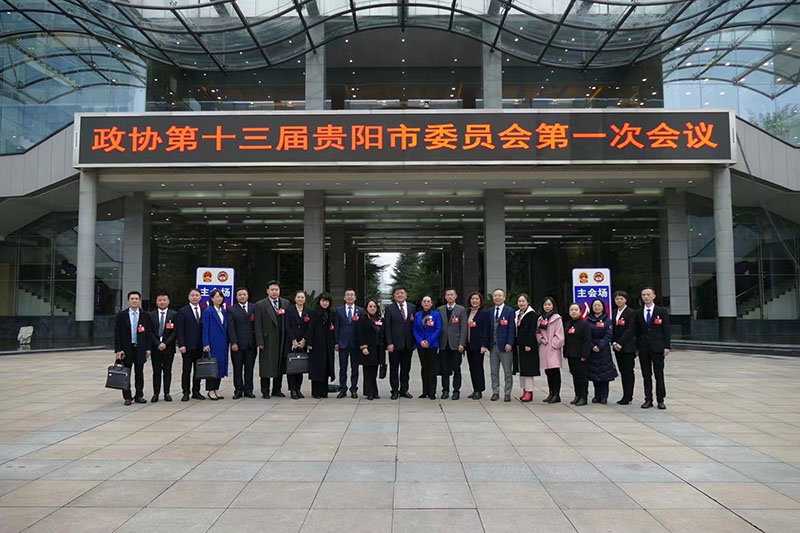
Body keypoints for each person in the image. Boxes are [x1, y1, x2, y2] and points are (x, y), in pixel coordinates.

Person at [634, 287, 671, 409]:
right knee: (646, 375)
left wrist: (667, 346)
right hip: (643, 348)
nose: (646, 297)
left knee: (658, 374)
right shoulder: (638, 312)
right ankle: (648, 399)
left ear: (654, 296)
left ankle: (660, 400)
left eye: (648, 294)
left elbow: (666, 330)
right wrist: (637, 347)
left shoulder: (661, 311)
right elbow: (637, 332)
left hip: (658, 347)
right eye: (643, 295)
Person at [114, 291, 152, 405]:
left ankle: (139, 395)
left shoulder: (145, 315)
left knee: (139, 373)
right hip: (126, 349)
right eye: (132, 299)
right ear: (128, 301)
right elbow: (117, 333)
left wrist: (148, 348)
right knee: (126, 372)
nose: (134, 301)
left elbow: (148, 334)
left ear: (139, 300)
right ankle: (127, 397)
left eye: (136, 299)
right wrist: (118, 350)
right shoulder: (122, 315)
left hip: (140, 348)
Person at [255, 280, 289, 398]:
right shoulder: (260, 304)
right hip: (267, 339)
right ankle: (265, 391)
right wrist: (259, 341)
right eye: (272, 290)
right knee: (266, 366)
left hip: (282, 339)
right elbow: (257, 324)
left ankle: (277, 389)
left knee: (279, 365)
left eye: (276, 290)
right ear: (267, 291)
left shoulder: (285, 303)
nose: (274, 292)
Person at [383, 287, 416, 400]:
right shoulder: (389, 308)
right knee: (394, 369)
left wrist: (414, 342)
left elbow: (415, 326)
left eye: (402, 293)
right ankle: (394, 390)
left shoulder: (412, 307)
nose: (400, 295)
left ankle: (404, 390)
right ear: (394, 296)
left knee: (406, 369)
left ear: (406, 295)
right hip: (394, 345)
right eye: (397, 293)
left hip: (408, 344)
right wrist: (389, 343)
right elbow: (387, 327)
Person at [437, 288, 468, 400]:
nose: (450, 297)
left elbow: (464, 328)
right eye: (448, 295)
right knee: (444, 369)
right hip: (443, 344)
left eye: (452, 295)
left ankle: (456, 391)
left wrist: (462, 343)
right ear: (445, 297)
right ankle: (445, 390)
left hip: (456, 344)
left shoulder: (461, 310)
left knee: (456, 369)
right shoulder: (440, 309)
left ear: (456, 296)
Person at [228, 287, 258, 399]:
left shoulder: (254, 307)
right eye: (239, 295)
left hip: (251, 344)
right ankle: (238, 390)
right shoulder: (232, 309)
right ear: (236, 297)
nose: (242, 296)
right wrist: (233, 342)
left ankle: (248, 390)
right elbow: (231, 328)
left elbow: (257, 325)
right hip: (238, 345)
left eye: (244, 294)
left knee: (249, 368)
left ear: (248, 295)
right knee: (237, 369)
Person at [586, 298, 617, 404]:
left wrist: (600, 346)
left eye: (599, 305)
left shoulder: (607, 320)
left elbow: (609, 335)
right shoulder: (588, 320)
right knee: (594, 373)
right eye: (595, 305)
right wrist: (592, 346)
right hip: (592, 349)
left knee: (604, 374)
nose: (597, 307)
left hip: (604, 350)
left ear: (603, 307)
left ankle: (604, 396)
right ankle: (597, 395)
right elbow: (586, 336)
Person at [334, 289, 364, 399]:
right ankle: (343, 389)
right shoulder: (339, 310)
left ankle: (354, 389)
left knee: (355, 368)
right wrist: (336, 342)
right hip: (343, 343)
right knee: (343, 368)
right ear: (344, 297)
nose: (350, 297)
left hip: (355, 344)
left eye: (352, 295)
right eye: (348, 295)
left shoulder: (360, 311)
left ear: (355, 297)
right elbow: (336, 327)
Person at [176, 288, 204, 401]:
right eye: (192, 295)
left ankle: (196, 391)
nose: (194, 297)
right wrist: (181, 344)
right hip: (187, 346)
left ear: (200, 297)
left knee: (198, 370)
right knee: (186, 370)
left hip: (200, 346)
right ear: (188, 297)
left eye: (197, 295)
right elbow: (180, 329)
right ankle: (186, 392)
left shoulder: (204, 310)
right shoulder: (183, 311)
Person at [149, 290, 177, 403]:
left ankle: (167, 393)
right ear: (156, 302)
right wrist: (158, 343)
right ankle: (156, 393)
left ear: (168, 301)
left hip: (168, 348)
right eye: (160, 300)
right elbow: (150, 332)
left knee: (167, 371)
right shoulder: (151, 315)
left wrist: (165, 343)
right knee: (156, 371)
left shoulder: (174, 314)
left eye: (164, 300)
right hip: (155, 348)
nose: (162, 302)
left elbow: (175, 332)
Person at [307, 292, 336, 398]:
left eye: (327, 301)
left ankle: (324, 391)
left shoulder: (331, 313)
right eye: (323, 301)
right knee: (317, 368)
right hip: (316, 344)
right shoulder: (314, 313)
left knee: (326, 367)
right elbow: (310, 328)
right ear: (319, 301)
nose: (325, 303)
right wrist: (309, 343)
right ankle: (316, 392)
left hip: (328, 344)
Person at [489, 289, 516, 402]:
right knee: (494, 371)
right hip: (493, 346)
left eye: (499, 296)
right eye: (495, 295)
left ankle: (507, 393)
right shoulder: (490, 311)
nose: (497, 297)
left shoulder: (510, 311)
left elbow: (512, 329)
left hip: (505, 346)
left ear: (504, 298)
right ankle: (495, 392)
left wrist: (510, 343)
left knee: (507, 371)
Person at [202, 289, 229, 400]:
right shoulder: (208, 311)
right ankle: (210, 390)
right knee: (212, 365)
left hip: (222, 343)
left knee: (220, 365)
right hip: (212, 342)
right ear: (212, 298)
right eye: (217, 297)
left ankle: (216, 388)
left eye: (221, 296)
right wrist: (206, 343)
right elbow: (205, 328)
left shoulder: (224, 311)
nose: (219, 299)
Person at [413, 295, 443, 400]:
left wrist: (429, 341)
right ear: (421, 303)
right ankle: (424, 391)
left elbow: (438, 329)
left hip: (432, 345)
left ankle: (432, 392)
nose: (426, 303)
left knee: (432, 368)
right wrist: (420, 341)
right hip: (421, 345)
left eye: (428, 301)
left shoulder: (436, 314)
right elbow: (415, 330)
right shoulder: (418, 315)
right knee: (424, 368)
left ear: (431, 303)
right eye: (424, 301)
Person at [283, 290, 311, 399]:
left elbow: (309, 327)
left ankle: (298, 389)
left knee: (300, 367)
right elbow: (287, 326)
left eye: (302, 297)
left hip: (303, 343)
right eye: (298, 297)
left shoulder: (308, 311)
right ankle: (292, 390)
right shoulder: (289, 311)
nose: (300, 299)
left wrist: (304, 340)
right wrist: (293, 340)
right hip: (292, 342)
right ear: (295, 298)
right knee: (292, 367)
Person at [536, 297, 564, 403]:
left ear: (553, 306)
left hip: (553, 349)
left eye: (549, 304)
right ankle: (551, 393)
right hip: (544, 347)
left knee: (554, 371)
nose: (547, 307)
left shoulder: (557, 318)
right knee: (548, 371)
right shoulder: (540, 319)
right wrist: (541, 339)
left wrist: (553, 344)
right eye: (545, 305)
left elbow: (560, 335)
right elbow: (537, 332)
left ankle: (556, 394)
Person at [611, 290, 637, 405]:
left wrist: (620, 343)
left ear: (625, 299)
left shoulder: (631, 313)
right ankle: (624, 395)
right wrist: (614, 342)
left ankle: (628, 396)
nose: (619, 301)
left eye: (621, 298)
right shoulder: (614, 312)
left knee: (628, 371)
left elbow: (630, 330)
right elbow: (613, 329)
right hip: (617, 347)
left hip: (628, 348)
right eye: (617, 299)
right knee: (622, 371)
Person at [563, 303, 592, 406]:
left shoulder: (584, 324)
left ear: (580, 312)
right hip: (571, 354)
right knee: (575, 375)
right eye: (571, 310)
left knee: (582, 376)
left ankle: (583, 397)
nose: (573, 312)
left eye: (576, 310)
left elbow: (587, 341)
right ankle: (577, 395)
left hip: (581, 355)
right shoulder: (568, 324)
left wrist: (584, 355)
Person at [357, 299, 386, 400]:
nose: (372, 308)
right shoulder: (363, 319)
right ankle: (368, 392)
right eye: (370, 306)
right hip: (368, 349)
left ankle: (374, 391)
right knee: (368, 372)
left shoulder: (380, 319)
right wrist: (363, 347)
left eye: (374, 306)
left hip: (378, 349)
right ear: (366, 308)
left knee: (374, 371)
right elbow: (360, 334)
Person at [513, 293, 539, 403]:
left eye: (523, 301)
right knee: (521, 369)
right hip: (519, 346)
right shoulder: (517, 314)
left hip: (528, 346)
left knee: (528, 370)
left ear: (528, 302)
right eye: (519, 301)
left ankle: (529, 391)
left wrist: (529, 344)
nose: (521, 303)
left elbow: (532, 331)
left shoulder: (532, 315)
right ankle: (524, 390)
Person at [465, 292, 490, 400]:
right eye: (472, 299)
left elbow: (486, 330)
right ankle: (475, 389)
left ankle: (479, 390)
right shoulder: (467, 312)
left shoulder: (484, 313)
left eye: (476, 299)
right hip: (469, 344)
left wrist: (484, 345)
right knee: (472, 367)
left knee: (478, 367)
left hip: (478, 345)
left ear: (480, 301)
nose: (474, 301)